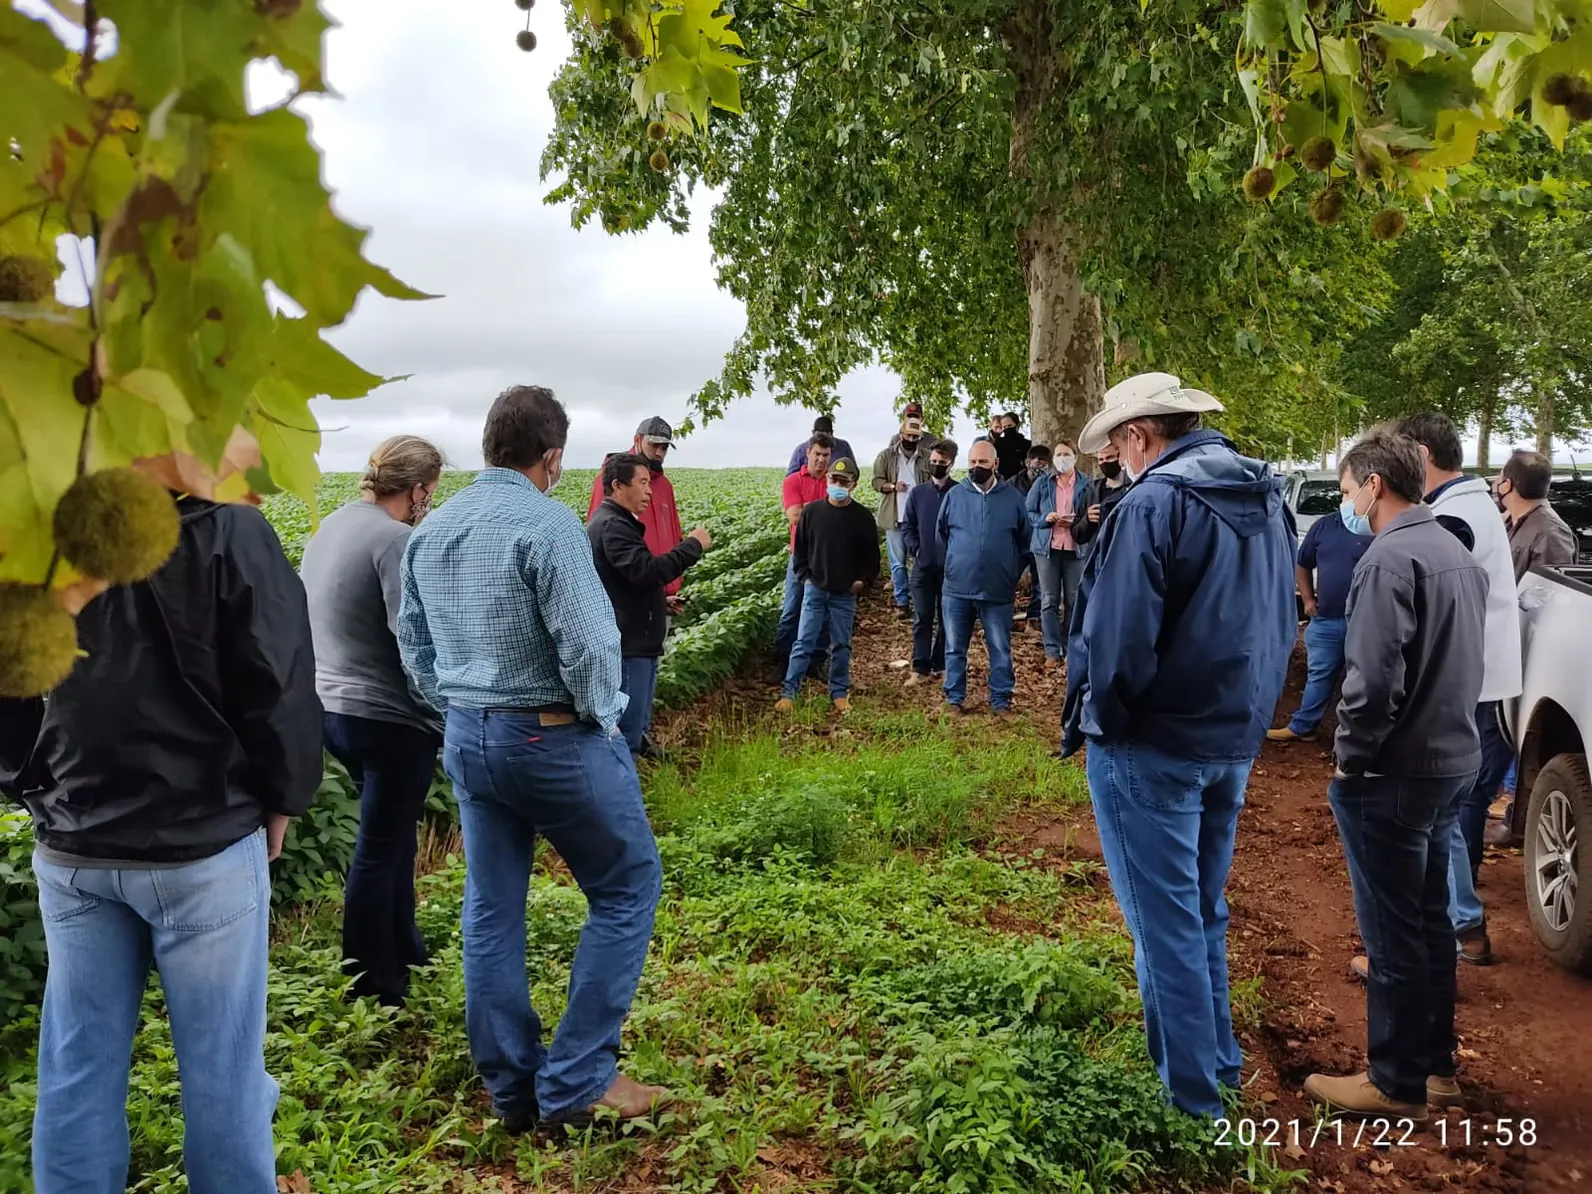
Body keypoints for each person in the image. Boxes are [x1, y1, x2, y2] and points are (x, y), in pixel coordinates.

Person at [3, 491, 320, 1192]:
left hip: (74, 845)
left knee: (77, 1067)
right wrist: (285, 795)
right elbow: (280, 677)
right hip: (202, 847)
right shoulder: (229, 529)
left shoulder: (42, 524)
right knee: (223, 1074)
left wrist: (27, 782)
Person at [399, 385, 667, 1130]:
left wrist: (452, 703)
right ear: (551, 458)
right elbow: (590, 645)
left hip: (467, 737)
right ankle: (578, 1078)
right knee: (626, 884)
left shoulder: (433, 528)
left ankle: (513, 1089)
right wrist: (603, 717)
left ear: (488, 445)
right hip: (550, 735)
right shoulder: (549, 525)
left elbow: (413, 646)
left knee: (490, 909)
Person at [1060, 372, 1296, 1119]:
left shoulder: (1155, 503)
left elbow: (1119, 640)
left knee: (1164, 927)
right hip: (1231, 736)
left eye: (1119, 444)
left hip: (1152, 745)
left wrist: (1107, 718)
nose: (1118, 459)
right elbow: (1282, 619)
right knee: (1199, 909)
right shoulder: (1264, 495)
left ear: (1140, 435)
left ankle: (1195, 1107)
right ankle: (1217, 1067)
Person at [1302, 430, 1487, 1122]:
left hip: (1394, 773)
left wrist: (1351, 756)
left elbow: (1373, 682)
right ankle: (1436, 1069)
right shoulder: (1454, 551)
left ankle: (1395, 1079)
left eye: (1348, 490)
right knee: (1430, 921)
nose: (1347, 502)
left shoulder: (1388, 559)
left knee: (1392, 932)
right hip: (1451, 763)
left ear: (1375, 484)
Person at [301, 434, 445, 1009]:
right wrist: (440, 708)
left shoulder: (332, 525)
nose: (430, 501)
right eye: (431, 492)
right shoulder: (396, 540)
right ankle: (371, 980)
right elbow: (411, 641)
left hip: (330, 710)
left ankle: (404, 946)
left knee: (391, 833)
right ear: (415, 490)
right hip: (386, 718)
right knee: (380, 846)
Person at [1394, 412, 1519, 968]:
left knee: (1431, 812)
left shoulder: (1456, 517)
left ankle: (1449, 931)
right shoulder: (1466, 506)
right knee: (1446, 811)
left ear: (1420, 456)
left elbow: (1431, 603)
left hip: (1456, 685)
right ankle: (1460, 926)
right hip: (1471, 682)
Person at [587, 453, 712, 755]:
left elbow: (625, 582)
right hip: (629, 645)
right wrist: (692, 545)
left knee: (636, 720)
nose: (649, 491)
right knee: (625, 731)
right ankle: (627, 791)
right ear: (618, 486)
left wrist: (660, 600)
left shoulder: (616, 522)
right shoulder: (612, 526)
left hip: (636, 639)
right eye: (642, 483)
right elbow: (646, 572)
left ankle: (638, 764)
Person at [1266, 492, 1374, 744]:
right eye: (1344, 491)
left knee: (1364, 681)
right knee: (1319, 674)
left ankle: (1355, 741)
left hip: (1366, 623)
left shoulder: (1383, 528)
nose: (1345, 496)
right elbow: (1302, 563)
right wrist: (1307, 599)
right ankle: (1303, 727)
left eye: (1349, 490)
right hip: (1326, 618)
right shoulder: (1325, 525)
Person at [776, 457, 881, 714]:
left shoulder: (862, 517)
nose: (836, 484)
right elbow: (799, 551)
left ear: (853, 485)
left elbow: (872, 559)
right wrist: (806, 578)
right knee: (804, 641)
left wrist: (862, 582)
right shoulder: (812, 512)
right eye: (833, 479)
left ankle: (839, 693)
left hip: (844, 594)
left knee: (841, 644)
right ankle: (789, 693)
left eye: (843, 481)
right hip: (815, 589)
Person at [936, 438, 1028, 715]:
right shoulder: (954, 496)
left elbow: (1025, 541)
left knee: (1000, 647)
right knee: (954, 647)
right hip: (957, 588)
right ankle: (954, 698)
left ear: (996, 464)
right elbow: (941, 536)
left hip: (997, 589)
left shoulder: (1013, 498)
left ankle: (1001, 700)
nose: (977, 467)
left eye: (983, 463)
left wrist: (1012, 572)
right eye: (973, 462)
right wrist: (953, 565)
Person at [587, 416, 687, 614]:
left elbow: (674, 535)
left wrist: (663, 594)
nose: (659, 452)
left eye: (664, 448)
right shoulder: (613, 480)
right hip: (625, 603)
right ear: (637, 441)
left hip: (658, 595)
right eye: (654, 445)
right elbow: (599, 543)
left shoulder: (664, 485)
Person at [1025, 439, 1090, 669]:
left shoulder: (1087, 484)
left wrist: (1077, 521)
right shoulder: (1043, 483)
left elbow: (1090, 515)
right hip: (1047, 548)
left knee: (1073, 599)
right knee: (1049, 599)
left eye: (1067, 454)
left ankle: (1070, 646)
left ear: (1075, 457)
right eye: (1059, 454)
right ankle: (1052, 649)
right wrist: (1045, 519)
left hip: (1076, 547)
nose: (1062, 458)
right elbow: (1029, 511)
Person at [772, 434, 834, 673]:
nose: (820, 459)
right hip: (800, 555)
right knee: (792, 608)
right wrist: (824, 507)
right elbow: (794, 516)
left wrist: (810, 507)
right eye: (817, 454)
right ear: (808, 453)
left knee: (825, 610)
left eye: (825, 455)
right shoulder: (793, 481)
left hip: (827, 556)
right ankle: (781, 661)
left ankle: (816, 662)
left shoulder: (832, 483)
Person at [900, 439, 958, 686]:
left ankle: (941, 664)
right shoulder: (918, 493)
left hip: (950, 569)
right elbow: (907, 527)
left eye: (941, 462)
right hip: (922, 567)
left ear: (951, 463)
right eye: (933, 461)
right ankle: (919, 667)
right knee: (922, 617)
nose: (936, 465)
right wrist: (917, 550)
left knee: (947, 618)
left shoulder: (958, 493)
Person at [871, 403, 935, 621]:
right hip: (894, 515)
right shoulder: (886, 456)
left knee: (920, 559)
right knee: (897, 563)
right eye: (907, 435)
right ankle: (902, 602)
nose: (911, 440)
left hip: (919, 518)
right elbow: (876, 481)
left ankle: (921, 600)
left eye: (915, 437)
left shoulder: (927, 456)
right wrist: (892, 486)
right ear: (901, 433)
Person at [1497, 449, 1577, 582]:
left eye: (1500, 478)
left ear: (1506, 485)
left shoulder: (1550, 534)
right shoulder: (1512, 522)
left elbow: (1546, 595)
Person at [1012, 444, 1051, 630]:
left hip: (1041, 540)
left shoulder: (1051, 484)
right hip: (1018, 540)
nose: (1040, 466)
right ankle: (1005, 615)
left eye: (1045, 463)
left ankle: (1033, 620)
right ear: (1028, 462)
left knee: (1040, 585)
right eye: (1037, 461)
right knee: (1009, 578)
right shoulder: (1013, 483)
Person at [1071, 442, 1130, 557]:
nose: (1105, 463)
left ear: (1120, 456)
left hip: (1125, 555)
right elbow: (1077, 535)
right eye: (1101, 460)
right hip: (1097, 557)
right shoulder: (1090, 491)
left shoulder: (1133, 488)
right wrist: (1087, 520)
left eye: (1110, 457)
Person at [786, 414, 855, 477]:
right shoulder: (801, 450)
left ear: (832, 433)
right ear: (813, 433)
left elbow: (854, 471)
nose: (823, 438)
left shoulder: (843, 447)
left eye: (826, 434)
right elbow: (791, 476)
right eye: (817, 454)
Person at [988, 411, 1031, 481]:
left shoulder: (1027, 444)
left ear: (1017, 425)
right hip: (1003, 482)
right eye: (1004, 427)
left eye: (1010, 426)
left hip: (1023, 483)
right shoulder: (998, 444)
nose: (1007, 429)